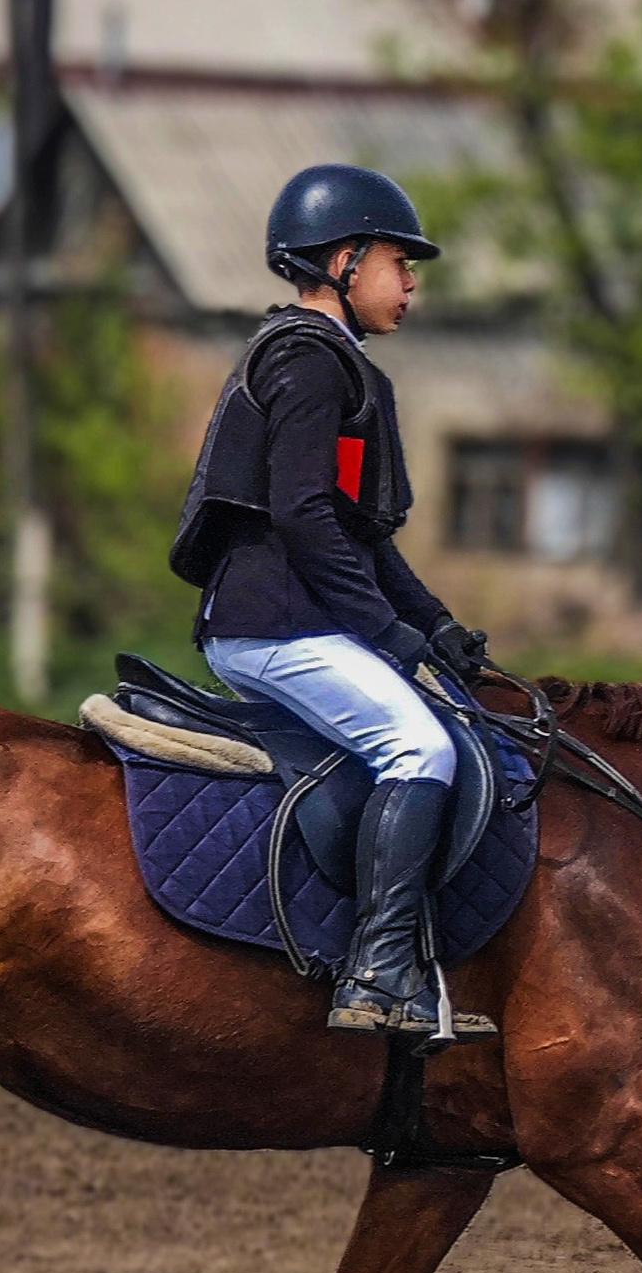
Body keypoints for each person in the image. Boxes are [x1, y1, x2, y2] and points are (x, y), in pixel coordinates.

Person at [171, 164, 490, 1039]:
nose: (413, 280)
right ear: (345, 261)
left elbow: (360, 536)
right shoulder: (309, 362)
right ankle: (378, 971)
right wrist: (383, 632)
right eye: (399, 260)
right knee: (419, 748)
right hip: (273, 625)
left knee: (449, 721)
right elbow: (302, 515)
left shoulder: (337, 366)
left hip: (295, 620)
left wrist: (437, 629)